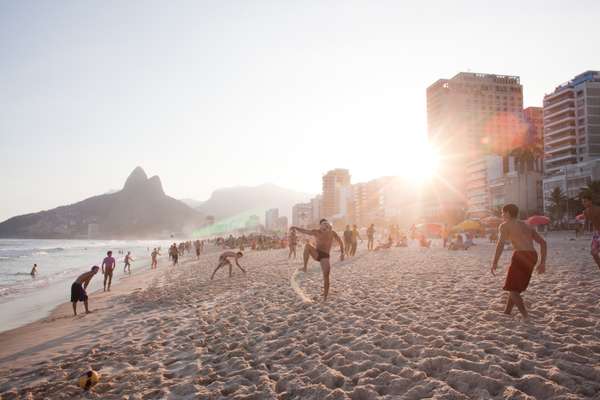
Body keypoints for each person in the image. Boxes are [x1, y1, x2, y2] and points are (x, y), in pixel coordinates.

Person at [491, 204, 546, 320]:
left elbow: (500, 244)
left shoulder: (505, 226)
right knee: (514, 287)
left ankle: (525, 316)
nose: (502, 215)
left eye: (503, 212)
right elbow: (543, 243)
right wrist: (542, 263)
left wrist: (495, 261)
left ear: (508, 213)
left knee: (512, 288)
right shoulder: (527, 225)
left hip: (520, 255)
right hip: (532, 255)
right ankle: (507, 312)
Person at [291, 219, 344, 301]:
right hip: (316, 253)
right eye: (323, 224)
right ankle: (305, 267)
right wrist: (295, 227)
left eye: (326, 224)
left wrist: (342, 253)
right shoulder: (316, 232)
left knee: (326, 275)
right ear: (320, 226)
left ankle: (325, 297)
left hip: (325, 256)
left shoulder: (332, 233)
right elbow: (305, 231)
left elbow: (340, 241)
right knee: (307, 246)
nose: (325, 225)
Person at [582, 193, 600, 271]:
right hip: (596, 234)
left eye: (585, 201)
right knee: (593, 252)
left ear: (590, 201)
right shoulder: (585, 212)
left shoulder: (598, 209)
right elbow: (586, 224)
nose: (584, 203)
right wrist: (582, 229)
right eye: (583, 202)